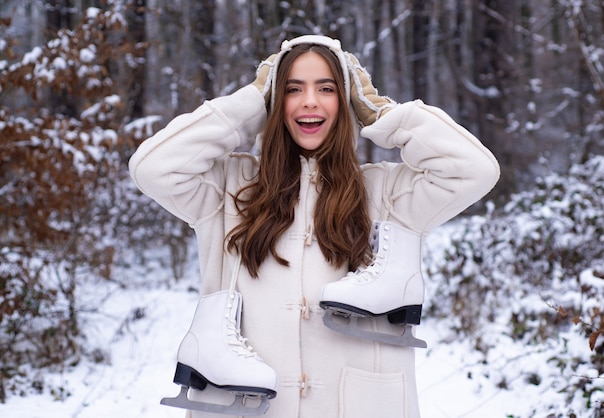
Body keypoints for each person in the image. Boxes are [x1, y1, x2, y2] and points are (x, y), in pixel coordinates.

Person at [129, 35, 500, 418]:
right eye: (292, 89)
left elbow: (476, 169)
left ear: (346, 101)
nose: (310, 101)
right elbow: (151, 167)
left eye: (326, 88)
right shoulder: (229, 189)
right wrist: (253, 102)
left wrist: (379, 111)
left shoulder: (386, 193)